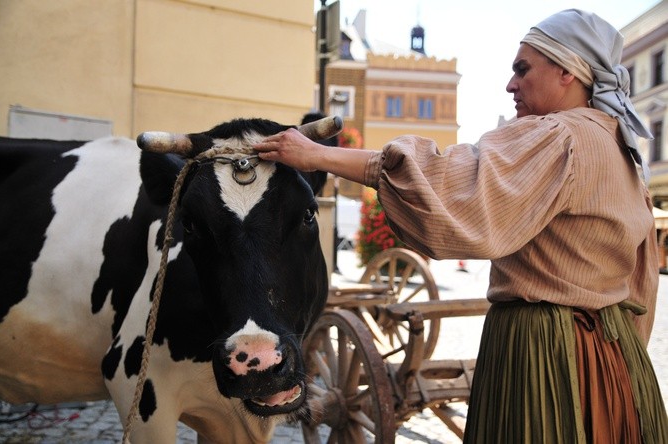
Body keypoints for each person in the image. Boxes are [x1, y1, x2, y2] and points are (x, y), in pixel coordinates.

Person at [255, 9, 668, 443]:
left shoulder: (556, 135)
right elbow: (641, 287)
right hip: (618, 363)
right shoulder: (624, 155)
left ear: (567, 71)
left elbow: (448, 179)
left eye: (523, 69)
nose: (511, 84)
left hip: (544, 355)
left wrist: (317, 156)